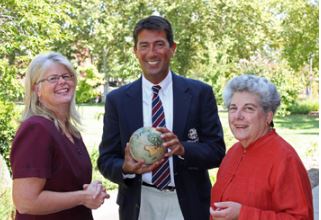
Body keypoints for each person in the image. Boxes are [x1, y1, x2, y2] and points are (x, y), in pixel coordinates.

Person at [97, 15, 225, 220]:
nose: (151, 53)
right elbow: (106, 159)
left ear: (172, 48)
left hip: (187, 203)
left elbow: (217, 151)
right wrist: (125, 168)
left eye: (159, 44)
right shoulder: (118, 100)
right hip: (140, 203)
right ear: (135, 51)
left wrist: (184, 149)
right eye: (144, 45)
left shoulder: (200, 93)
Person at [10, 52, 109, 220]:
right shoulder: (36, 129)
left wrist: (90, 191)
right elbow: (25, 202)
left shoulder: (71, 131)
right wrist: (83, 197)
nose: (62, 82)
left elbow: (66, 185)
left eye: (66, 76)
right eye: (53, 78)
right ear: (36, 89)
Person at [210, 74, 313, 220]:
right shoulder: (234, 152)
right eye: (233, 108)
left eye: (248, 108)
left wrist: (243, 214)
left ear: (268, 117)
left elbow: (301, 218)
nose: (237, 116)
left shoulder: (284, 158)